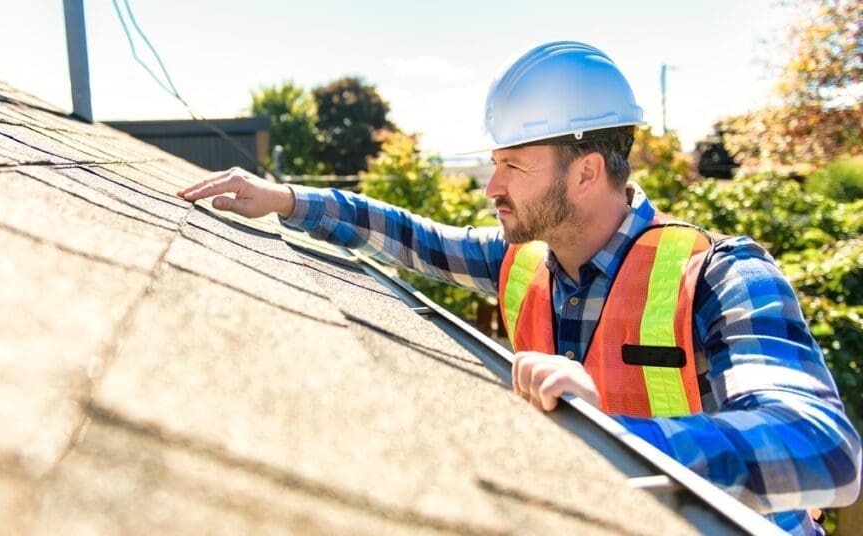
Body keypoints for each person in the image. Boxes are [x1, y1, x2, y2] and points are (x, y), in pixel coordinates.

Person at [179, 41, 860, 534]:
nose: (492, 187)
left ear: (587, 173)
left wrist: (616, 441)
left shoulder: (721, 276)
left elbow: (825, 446)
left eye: (512, 165)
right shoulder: (527, 263)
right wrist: (288, 200)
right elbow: (416, 236)